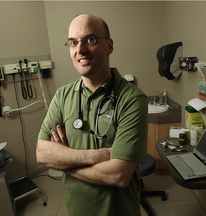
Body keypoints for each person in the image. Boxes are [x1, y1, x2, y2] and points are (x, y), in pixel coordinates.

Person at [36, 13, 148, 216]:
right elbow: (42, 152)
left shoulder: (132, 99)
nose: (80, 50)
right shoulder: (63, 95)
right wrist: (96, 155)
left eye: (90, 40)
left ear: (110, 45)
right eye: (73, 42)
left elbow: (118, 175)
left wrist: (65, 162)